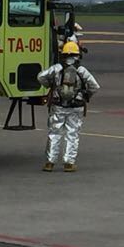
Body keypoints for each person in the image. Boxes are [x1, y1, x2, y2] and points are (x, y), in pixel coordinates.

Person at [38, 40, 100, 171]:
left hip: (58, 106)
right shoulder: (81, 70)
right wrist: (86, 95)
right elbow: (95, 86)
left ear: (64, 54)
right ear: (77, 55)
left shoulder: (57, 68)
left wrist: (51, 86)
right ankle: (69, 163)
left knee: (54, 133)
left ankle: (50, 163)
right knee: (72, 134)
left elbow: (41, 77)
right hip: (76, 107)